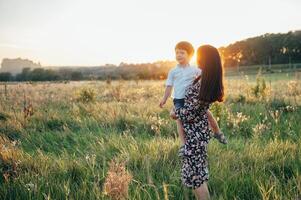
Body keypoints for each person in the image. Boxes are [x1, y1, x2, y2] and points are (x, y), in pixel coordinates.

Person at [175, 45, 227, 200]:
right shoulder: (203, 78)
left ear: (204, 58)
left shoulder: (203, 82)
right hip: (197, 131)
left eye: (198, 55)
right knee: (194, 175)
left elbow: (191, 113)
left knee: (197, 177)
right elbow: (200, 109)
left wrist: (175, 112)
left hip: (194, 135)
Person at [159, 41, 227, 151]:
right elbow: (169, 86)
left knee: (207, 113)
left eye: (182, 52)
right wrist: (164, 99)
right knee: (179, 121)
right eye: (177, 53)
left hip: (193, 103)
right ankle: (183, 144)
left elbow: (207, 75)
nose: (179, 55)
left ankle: (217, 132)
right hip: (179, 99)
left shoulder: (195, 70)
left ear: (190, 55)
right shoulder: (173, 71)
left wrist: (175, 112)